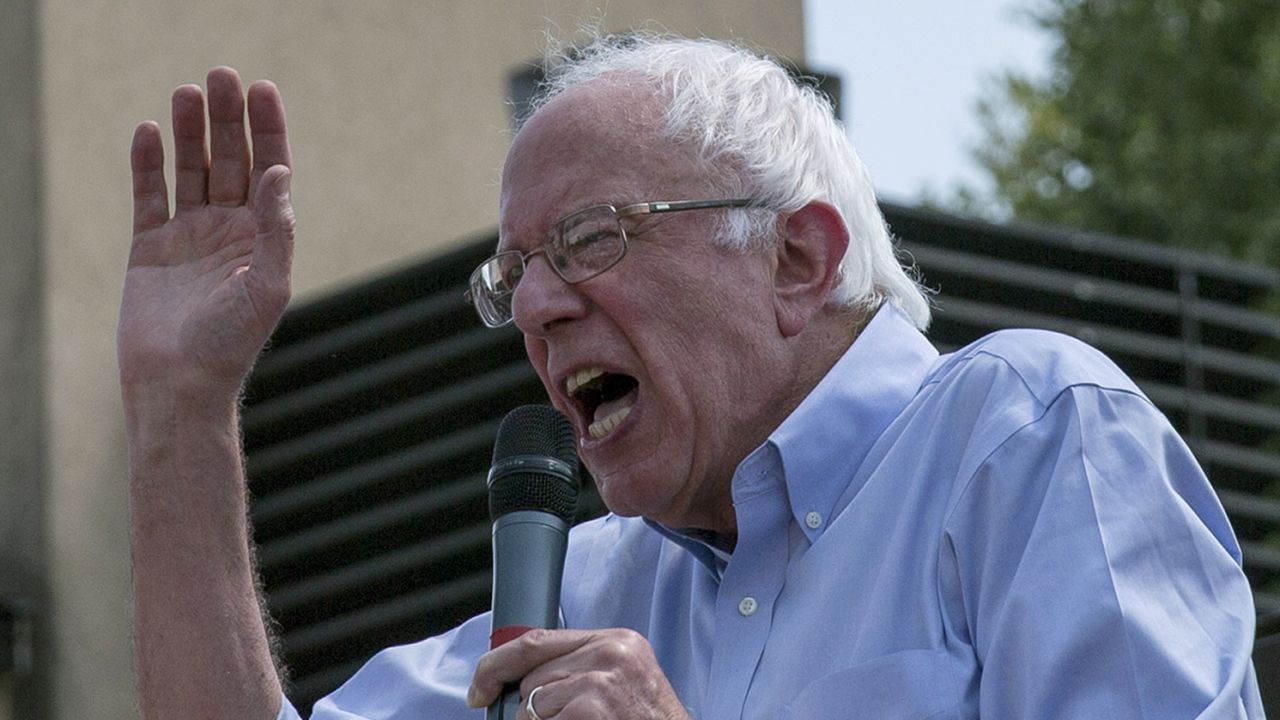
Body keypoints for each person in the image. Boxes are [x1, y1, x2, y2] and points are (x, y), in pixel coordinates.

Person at [120, 34, 1264, 720]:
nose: (532, 305)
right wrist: (181, 406)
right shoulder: (581, 593)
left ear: (797, 257)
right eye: (513, 273)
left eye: (591, 239)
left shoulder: (1024, 436)